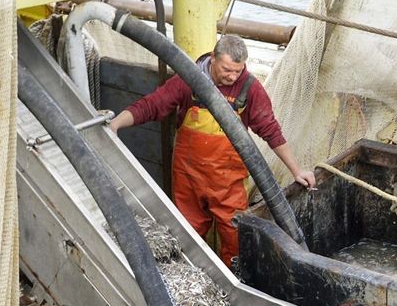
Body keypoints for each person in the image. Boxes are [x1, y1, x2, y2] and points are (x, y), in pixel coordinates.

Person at [109, 34, 315, 266]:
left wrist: (297, 171)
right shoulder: (189, 79)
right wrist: (115, 124)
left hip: (228, 183)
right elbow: (152, 105)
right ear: (213, 59)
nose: (233, 76)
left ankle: (235, 281)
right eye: (227, 69)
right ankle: (190, 275)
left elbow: (271, 131)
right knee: (187, 235)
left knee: (235, 237)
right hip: (189, 178)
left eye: (238, 70)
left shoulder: (250, 88)